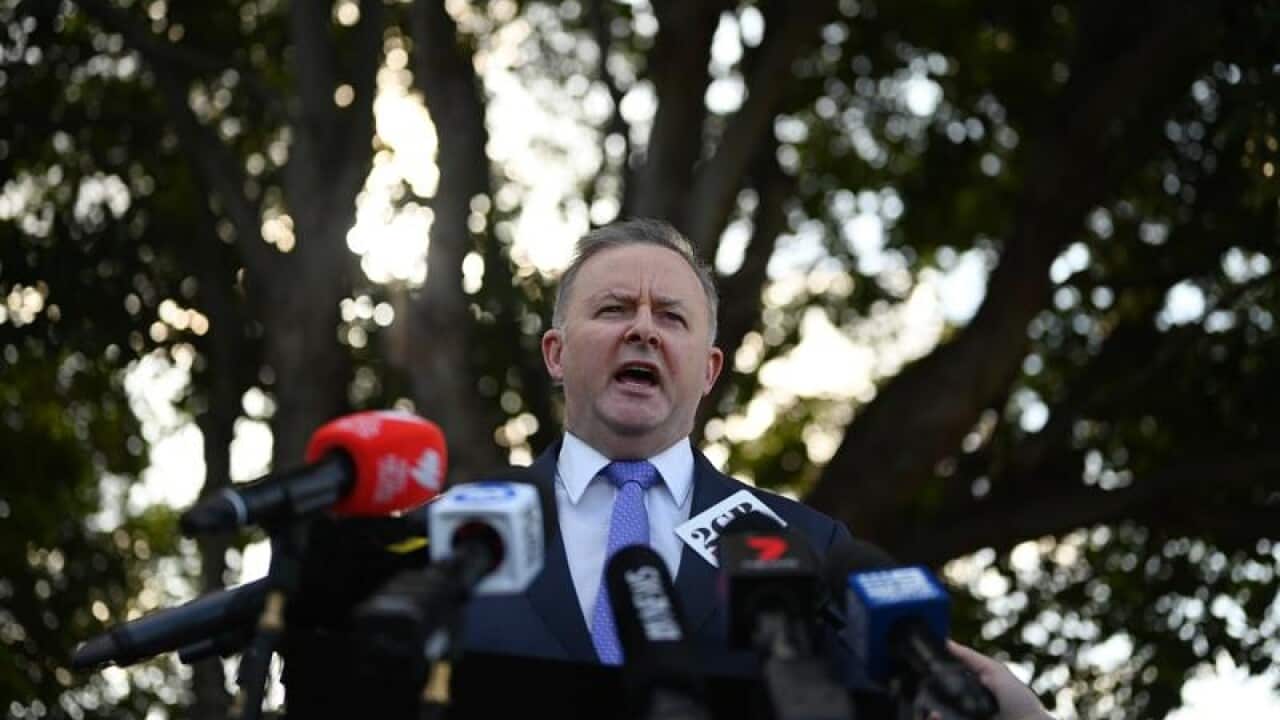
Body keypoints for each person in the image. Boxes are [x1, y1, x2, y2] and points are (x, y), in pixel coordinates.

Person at [461, 218, 856, 673]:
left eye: (672, 317)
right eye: (614, 309)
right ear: (556, 354)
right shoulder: (456, 534)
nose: (644, 331)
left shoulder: (808, 546)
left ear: (709, 371)